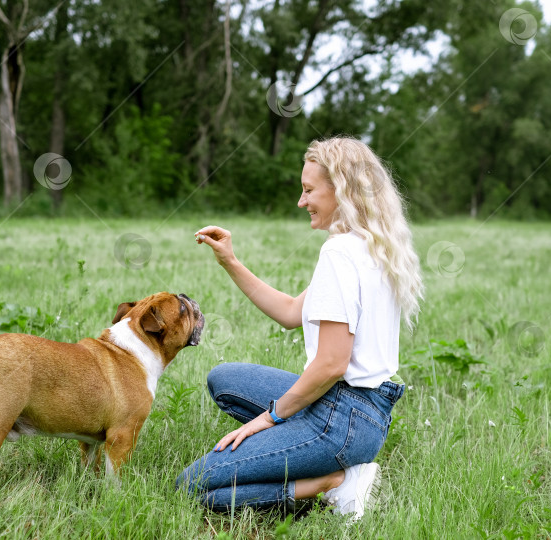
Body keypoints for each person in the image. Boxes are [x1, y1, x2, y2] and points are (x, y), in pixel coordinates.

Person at [176, 136, 423, 520]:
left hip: (343, 419)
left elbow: (331, 364)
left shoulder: (340, 253)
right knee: (224, 379)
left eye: (309, 190)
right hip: (363, 412)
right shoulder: (371, 245)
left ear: (341, 190)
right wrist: (230, 261)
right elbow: (292, 311)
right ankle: (312, 456)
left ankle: (332, 482)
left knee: (191, 486)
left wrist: (269, 418)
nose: (301, 201)